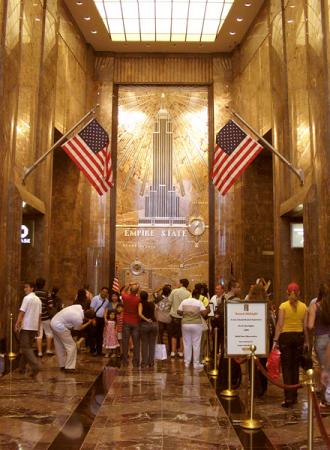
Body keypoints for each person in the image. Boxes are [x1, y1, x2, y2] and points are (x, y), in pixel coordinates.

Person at [273, 282, 308, 407]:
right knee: (295, 367)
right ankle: (295, 396)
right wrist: (307, 341)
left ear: (287, 293)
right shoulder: (304, 306)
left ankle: (288, 398)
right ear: (299, 293)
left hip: (286, 338)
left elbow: (280, 324)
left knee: (287, 368)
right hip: (298, 337)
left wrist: (275, 340)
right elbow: (305, 327)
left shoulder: (283, 306)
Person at [51, 305, 95, 372]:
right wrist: (89, 323)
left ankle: (62, 365)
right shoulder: (78, 318)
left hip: (53, 322)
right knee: (72, 346)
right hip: (60, 327)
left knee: (60, 345)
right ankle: (69, 367)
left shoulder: (78, 307)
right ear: (87, 318)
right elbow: (79, 328)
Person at [308, 285, 330, 406]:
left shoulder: (314, 306)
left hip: (321, 339)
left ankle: (325, 399)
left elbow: (310, 325)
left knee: (324, 368)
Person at [218, 280, 242, 389]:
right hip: (233, 330)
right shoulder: (236, 301)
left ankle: (222, 378)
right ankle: (231, 378)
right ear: (232, 288)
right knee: (233, 355)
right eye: (238, 287)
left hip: (224, 329)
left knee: (224, 353)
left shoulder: (222, 298)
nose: (239, 289)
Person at [15, 282, 42, 377]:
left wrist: (17, 324)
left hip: (26, 326)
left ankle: (35, 366)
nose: (24, 289)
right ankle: (21, 368)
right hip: (34, 327)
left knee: (25, 348)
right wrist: (38, 328)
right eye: (24, 287)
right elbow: (39, 316)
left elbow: (22, 312)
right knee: (27, 347)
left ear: (32, 288)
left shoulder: (27, 298)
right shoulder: (38, 300)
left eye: (26, 287)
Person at [177, 289, 208, 369]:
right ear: (197, 295)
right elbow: (204, 313)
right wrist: (207, 310)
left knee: (187, 343)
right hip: (196, 324)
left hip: (185, 324)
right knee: (196, 344)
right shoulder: (199, 302)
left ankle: (187, 362)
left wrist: (186, 313)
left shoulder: (184, 301)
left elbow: (179, 312)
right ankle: (196, 363)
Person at [168, 278, 190, 358]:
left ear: (181, 284)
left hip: (174, 316)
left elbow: (169, 302)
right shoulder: (188, 293)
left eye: (178, 282)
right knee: (182, 335)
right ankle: (181, 352)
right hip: (184, 317)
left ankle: (173, 352)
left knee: (173, 335)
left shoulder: (174, 291)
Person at [121, 283, 141, 367]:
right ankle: (135, 361)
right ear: (137, 291)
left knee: (125, 342)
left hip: (126, 321)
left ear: (130, 290)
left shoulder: (125, 297)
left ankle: (125, 361)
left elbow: (122, 291)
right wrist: (138, 288)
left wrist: (128, 285)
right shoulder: (138, 299)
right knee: (136, 342)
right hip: (136, 322)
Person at [139, 291, 158, 368]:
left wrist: (146, 319)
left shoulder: (140, 303)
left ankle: (144, 363)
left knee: (144, 344)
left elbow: (140, 314)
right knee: (152, 344)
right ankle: (151, 362)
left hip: (144, 325)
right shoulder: (152, 304)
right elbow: (155, 314)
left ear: (140, 297)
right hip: (154, 324)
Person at [35, 277, 54, 357]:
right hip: (45, 316)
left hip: (36, 317)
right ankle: (48, 350)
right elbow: (50, 305)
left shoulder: (34, 293)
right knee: (49, 332)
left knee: (39, 334)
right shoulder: (47, 293)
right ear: (44, 284)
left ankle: (39, 352)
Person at [90, 287, 110, 355]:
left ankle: (99, 351)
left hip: (102, 319)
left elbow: (105, 310)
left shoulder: (107, 301)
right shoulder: (95, 298)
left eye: (106, 292)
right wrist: (93, 319)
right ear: (101, 291)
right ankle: (93, 350)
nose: (104, 293)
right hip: (95, 318)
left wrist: (105, 319)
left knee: (100, 335)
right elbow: (92, 309)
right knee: (93, 335)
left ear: (107, 294)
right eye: (103, 291)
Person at [154, 285, 172, 352]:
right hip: (169, 319)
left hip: (160, 319)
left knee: (160, 336)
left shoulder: (158, 297)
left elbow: (154, 293)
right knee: (170, 336)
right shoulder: (171, 299)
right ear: (169, 292)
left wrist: (160, 288)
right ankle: (170, 350)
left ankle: (161, 351)